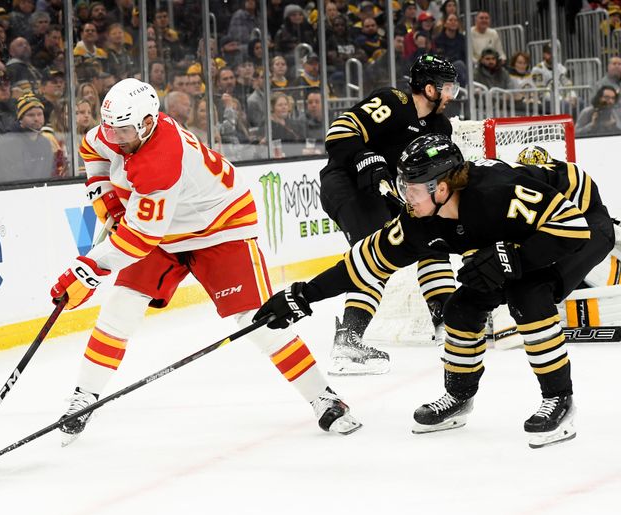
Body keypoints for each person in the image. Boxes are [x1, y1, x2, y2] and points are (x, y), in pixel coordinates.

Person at [50, 78, 360, 445]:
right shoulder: (116, 131)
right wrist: (109, 204)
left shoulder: (160, 159)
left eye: (125, 131)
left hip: (220, 227)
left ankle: (322, 396)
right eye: (111, 129)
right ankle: (84, 397)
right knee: (121, 306)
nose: (116, 139)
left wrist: (87, 270)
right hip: (164, 229)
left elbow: (140, 239)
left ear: (148, 122)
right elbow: (93, 152)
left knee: (257, 319)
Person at [254, 138, 615, 449]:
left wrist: (514, 258)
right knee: (460, 309)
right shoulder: (418, 221)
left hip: (582, 221)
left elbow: (571, 229)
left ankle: (559, 399)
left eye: (411, 187)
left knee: (526, 295)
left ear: (441, 188)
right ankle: (459, 396)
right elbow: (362, 265)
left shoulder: (496, 192)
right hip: (519, 234)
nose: (404, 195)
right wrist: (301, 296)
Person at [318, 54, 458, 375]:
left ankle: (446, 321)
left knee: (431, 240)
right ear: (429, 88)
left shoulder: (440, 126)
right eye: (447, 88)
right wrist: (364, 155)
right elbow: (340, 131)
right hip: (348, 184)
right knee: (376, 253)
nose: (451, 95)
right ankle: (348, 339)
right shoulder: (392, 101)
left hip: (390, 195)